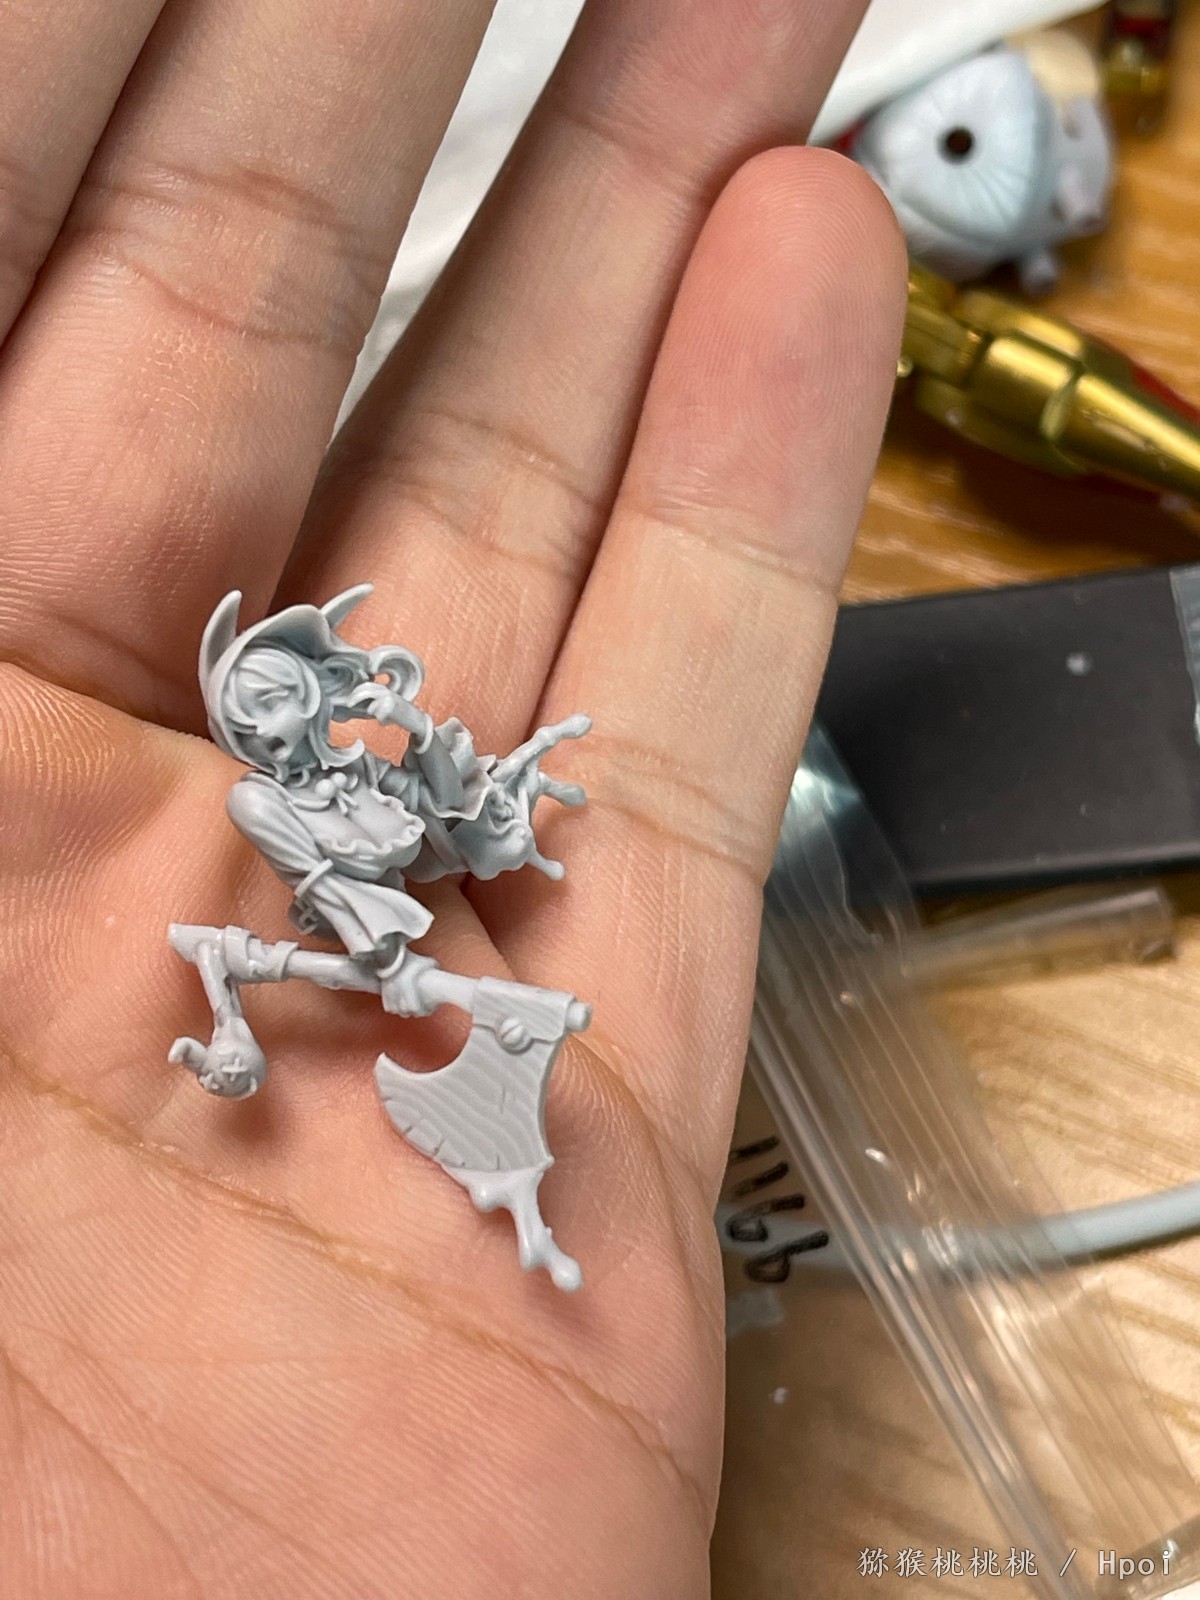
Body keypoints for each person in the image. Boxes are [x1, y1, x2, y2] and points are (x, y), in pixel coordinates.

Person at [0, 1, 904, 1595]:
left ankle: (519, 1195)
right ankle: (491, 1175)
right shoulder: (269, 809)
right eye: (258, 707)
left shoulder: (354, 748)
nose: (283, 720)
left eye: (292, 695)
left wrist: (454, 776)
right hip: (362, 948)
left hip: (398, 929)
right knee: (470, 1019)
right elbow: (334, 857)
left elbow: (415, 822)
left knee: (504, 1002)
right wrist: (379, 851)